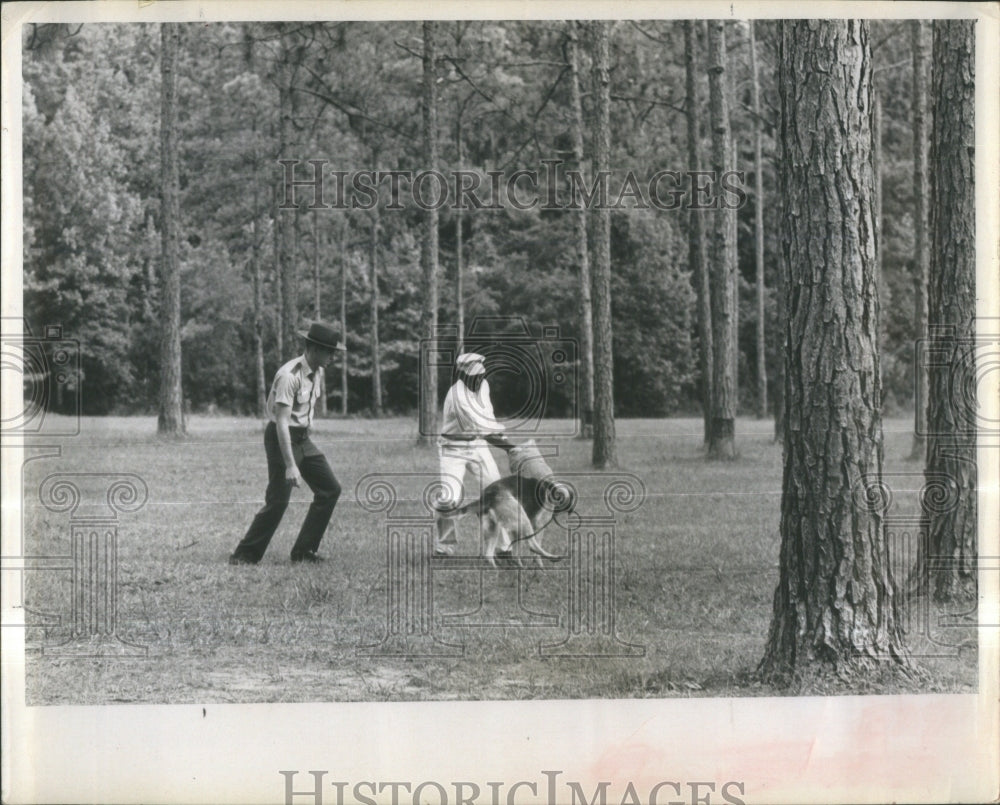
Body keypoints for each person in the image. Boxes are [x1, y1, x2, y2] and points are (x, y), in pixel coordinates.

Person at [229, 322, 346, 565]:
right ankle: (244, 556)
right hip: (281, 438)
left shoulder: (317, 372)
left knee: (330, 489)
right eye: (329, 351)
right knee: (279, 500)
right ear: (313, 348)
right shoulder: (288, 376)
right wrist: (291, 466)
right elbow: (281, 423)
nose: (333, 357)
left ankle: (304, 552)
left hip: (302, 439)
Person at [433, 352, 516, 556]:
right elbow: (483, 428)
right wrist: (512, 449)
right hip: (453, 449)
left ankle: (503, 548)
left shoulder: (483, 386)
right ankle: (444, 547)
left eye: (481, 375)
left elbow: (488, 419)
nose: (479, 380)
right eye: (474, 377)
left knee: (498, 494)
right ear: (463, 376)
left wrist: (508, 443)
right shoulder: (457, 396)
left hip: (478, 446)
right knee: (449, 499)